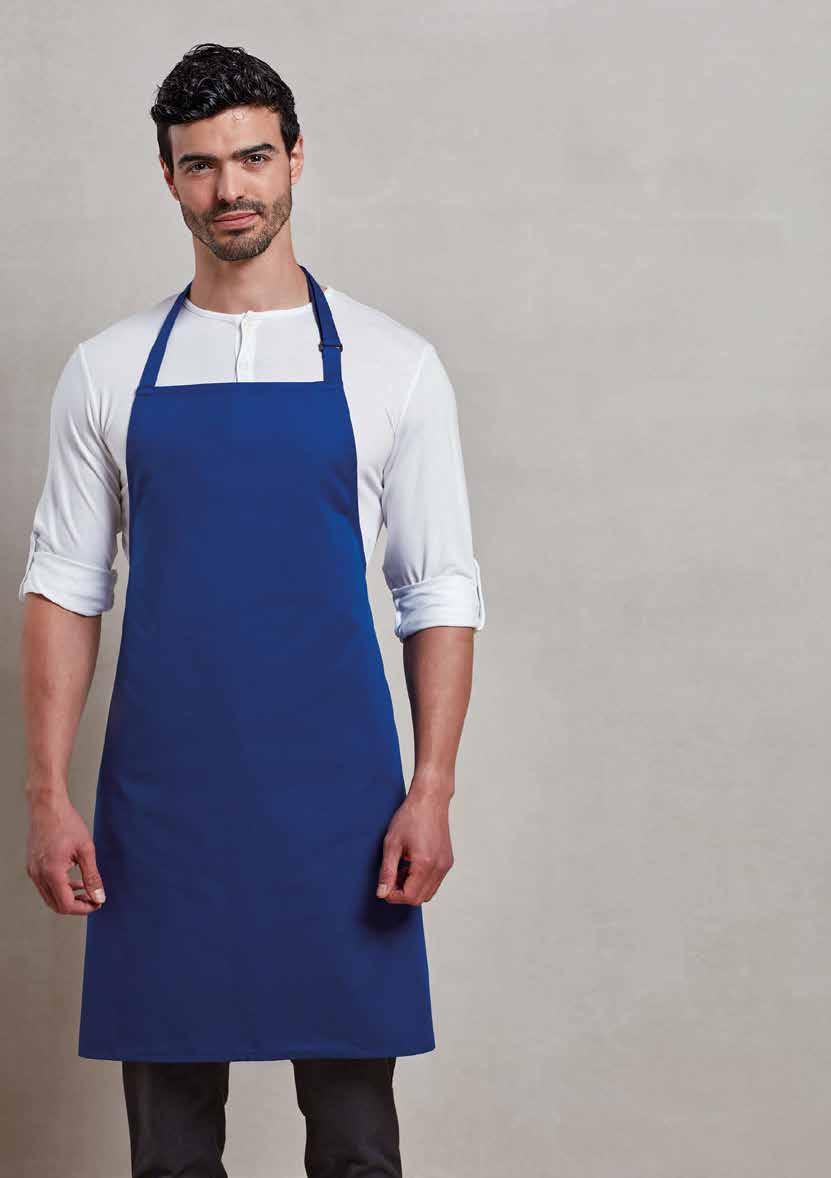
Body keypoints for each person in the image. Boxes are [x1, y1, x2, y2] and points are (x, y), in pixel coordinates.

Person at [19, 41, 485, 1178]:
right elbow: (66, 586)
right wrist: (47, 792)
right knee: (170, 1154)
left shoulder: (393, 365)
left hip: (342, 810)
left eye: (253, 157)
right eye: (202, 164)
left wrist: (431, 787)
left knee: (357, 1144)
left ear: (295, 159)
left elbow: (437, 589)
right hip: (162, 808)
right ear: (169, 177)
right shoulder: (107, 369)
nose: (231, 187)